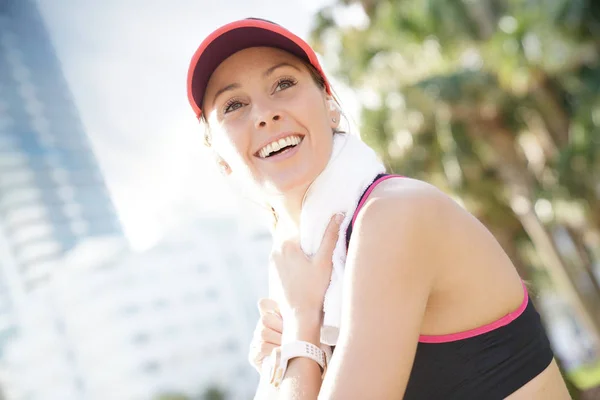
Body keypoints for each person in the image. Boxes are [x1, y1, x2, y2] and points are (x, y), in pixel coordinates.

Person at [186, 17, 571, 399]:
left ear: (330, 104)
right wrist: (281, 358)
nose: (264, 114)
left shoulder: (394, 214)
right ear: (220, 159)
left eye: (283, 83)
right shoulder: (298, 270)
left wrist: (301, 328)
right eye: (233, 105)